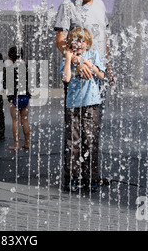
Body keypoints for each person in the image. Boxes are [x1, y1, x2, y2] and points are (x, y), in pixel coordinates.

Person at [60, 27, 105, 192]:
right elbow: (66, 78)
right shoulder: (69, 57)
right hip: (73, 106)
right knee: (73, 143)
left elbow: (101, 75)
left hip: (91, 104)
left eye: (82, 41)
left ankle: (91, 178)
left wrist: (88, 63)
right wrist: (68, 59)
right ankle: (72, 178)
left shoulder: (93, 55)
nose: (79, 44)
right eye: (75, 41)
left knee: (90, 142)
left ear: (87, 43)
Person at [4, 46, 31, 151]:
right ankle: (27, 142)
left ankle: (16, 144)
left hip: (15, 98)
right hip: (25, 97)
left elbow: (6, 84)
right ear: (23, 57)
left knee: (15, 121)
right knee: (25, 120)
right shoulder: (26, 66)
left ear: (9, 58)